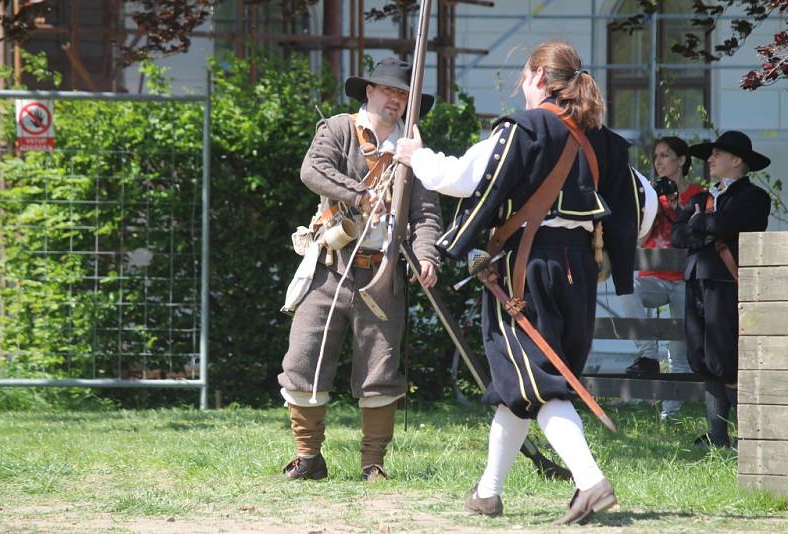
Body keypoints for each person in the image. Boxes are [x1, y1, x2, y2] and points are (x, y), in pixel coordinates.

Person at [395, 40, 640, 524]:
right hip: (579, 271)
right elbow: (642, 203)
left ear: (539, 80)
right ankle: (488, 492)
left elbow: (463, 178)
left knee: (540, 385)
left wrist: (416, 155)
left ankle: (590, 483)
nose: (522, 90)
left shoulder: (525, 129)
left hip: (526, 269)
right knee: (520, 386)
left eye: (525, 80)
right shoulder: (607, 142)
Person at [278, 57, 442, 481]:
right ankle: (308, 457)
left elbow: (425, 214)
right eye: (389, 90)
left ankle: (373, 464)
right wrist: (361, 194)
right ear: (369, 91)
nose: (397, 99)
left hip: (381, 272)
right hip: (329, 266)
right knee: (304, 359)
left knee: (380, 370)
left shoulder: (412, 148)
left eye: (404, 94)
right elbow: (313, 170)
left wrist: (427, 256)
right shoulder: (337, 128)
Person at [672, 130, 771, 448]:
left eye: (716, 154)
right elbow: (677, 234)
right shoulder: (702, 199)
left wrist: (701, 224)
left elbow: (724, 226)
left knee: (725, 357)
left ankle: (748, 436)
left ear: (737, 160)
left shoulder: (754, 197)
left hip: (726, 284)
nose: (709, 160)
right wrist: (706, 225)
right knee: (701, 356)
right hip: (696, 280)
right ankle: (717, 435)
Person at [620, 137, 704, 420]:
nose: (658, 161)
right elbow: (642, 240)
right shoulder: (652, 196)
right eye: (656, 156)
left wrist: (681, 208)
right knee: (625, 287)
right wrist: (652, 205)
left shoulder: (699, 195)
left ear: (681, 160)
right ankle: (648, 356)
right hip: (652, 278)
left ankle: (671, 415)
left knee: (679, 353)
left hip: (683, 280)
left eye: (665, 155)